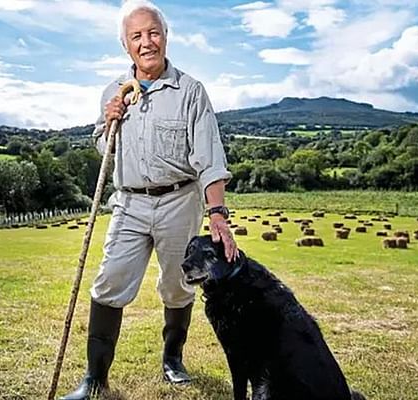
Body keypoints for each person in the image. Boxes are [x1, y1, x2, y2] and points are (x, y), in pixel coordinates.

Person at [61, 1, 238, 398]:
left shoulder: (190, 91)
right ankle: (95, 379)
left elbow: (209, 158)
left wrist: (218, 214)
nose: (147, 42)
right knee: (109, 282)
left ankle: (172, 360)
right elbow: (105, 147)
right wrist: (110, 123)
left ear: (165, 36)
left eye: (153, 32)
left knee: (178, 286)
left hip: (179, 201)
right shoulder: (113, 91)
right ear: (126, 45)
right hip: (129, 202)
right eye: (137, 36)